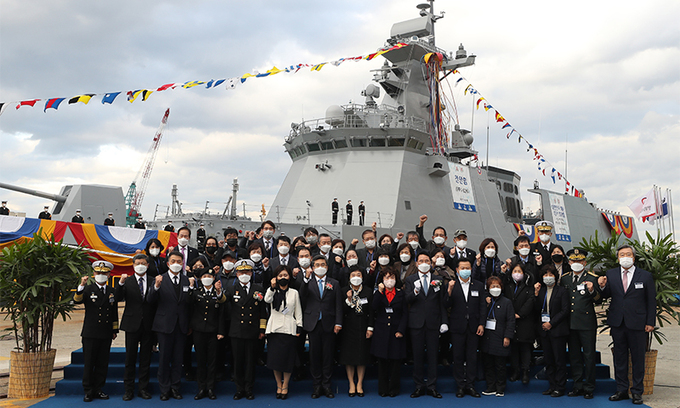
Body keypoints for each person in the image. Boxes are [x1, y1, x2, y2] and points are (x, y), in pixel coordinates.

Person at [598, 245, 656, 405]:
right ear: (618, 258)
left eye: (628, 254)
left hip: (638, 323)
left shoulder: (645, 276)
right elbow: (606, 295)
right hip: (618, 322)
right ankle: (621, 390)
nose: (625, 257)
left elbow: (651, 300)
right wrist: (602, 286)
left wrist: (650, 322)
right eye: (622, 254)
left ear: (634, 257)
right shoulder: (611, 274)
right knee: (620, 358)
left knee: (638, 358)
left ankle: (637, 392)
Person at [148, 251, 194, 401]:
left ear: (183, 264)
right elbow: (150, 300)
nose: (176, 264)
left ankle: (175, 387)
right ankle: (164, 389)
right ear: (168, 264)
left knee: (178, 359)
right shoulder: (160, 279)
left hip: (181, 326)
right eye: (173, 261)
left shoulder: (187, 280)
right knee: (164, 358)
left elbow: (190, 304)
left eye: (179, 261)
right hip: (164, 325)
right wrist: (156, 286)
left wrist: (191, 289)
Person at [220, 259, 268, 400]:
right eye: (241, 272)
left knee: (250, 362)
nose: (244, 274)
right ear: (237, 274)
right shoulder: (232, 289)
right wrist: (218, 292)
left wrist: (262, 330)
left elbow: (262, 311)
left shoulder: (258, 289)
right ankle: (239, 389)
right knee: (238, 361)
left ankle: (249, 389)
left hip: (252, 331)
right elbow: (223, 300)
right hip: (237, 331)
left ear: (251, 273)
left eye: (247, 272)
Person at [404, 251, 448, 399]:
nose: (424, 263)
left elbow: (441, 302)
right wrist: (415, 291)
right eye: (421, 261)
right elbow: (407, 300)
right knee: (417, 356)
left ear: (431, 263)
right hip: (416, 322)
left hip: (433, 322)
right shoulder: (410, 279)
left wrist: (444, 321)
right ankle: (418, 386)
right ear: (417, 263)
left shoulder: (438, 279)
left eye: (427, 261)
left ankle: (431, 386)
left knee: (433, 356)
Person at [299, 255, 343, 399]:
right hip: (313, 324)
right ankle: (317, 385)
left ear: (327, 267)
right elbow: (302, 296)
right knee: (314, 355)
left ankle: (327, 385)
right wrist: (306, 278)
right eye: (317, 265)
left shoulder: (334, 283)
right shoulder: (308, 282)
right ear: (312, 267)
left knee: (328, 356)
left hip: (329, 323)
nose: (320, 267)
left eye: (323, 264)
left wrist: (338, 322)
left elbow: (338, 304)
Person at [74, 261, 118, 402]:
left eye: (104, 273)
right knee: (89, 362)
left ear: (109, 275)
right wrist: (81, 285)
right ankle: (88, 390)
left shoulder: (112, 291)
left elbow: (114, 311)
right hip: (90, 332)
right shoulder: (88, 289)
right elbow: (77, 300)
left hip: (106, 332)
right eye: (98, 273)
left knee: (102, 363)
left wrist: (114, 329)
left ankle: (99, 389)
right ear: (94, 274)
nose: (101, 275)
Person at [115, 255, 157, 400]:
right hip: (132, 324)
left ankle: (143, 389)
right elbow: (118, 298)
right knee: (130, 359)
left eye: (143, 263)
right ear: (133, 265)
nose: (140, 265)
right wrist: (120, 283)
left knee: (146, 359)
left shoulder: (153, 280)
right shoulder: (127, 281)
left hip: (148, 325)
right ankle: (128, 390)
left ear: (148, 265)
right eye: (137, 263)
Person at [560, 248, 600, 399]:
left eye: (579, 260)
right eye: (573, 260)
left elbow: (599, 300)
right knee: (574, 356)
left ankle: (589, 387)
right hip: (570, 323)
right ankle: (577, 386)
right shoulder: (565, 278)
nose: (576, 263)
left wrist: (592, 290)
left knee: (589, 356)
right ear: (569, 262)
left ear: (584, 262)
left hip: (587, 323)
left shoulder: (592, 278)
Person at [445, 258, 485, 398]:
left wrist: (481, 324)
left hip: (474, 327)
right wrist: (449, 290)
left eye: (468, 268)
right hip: (457, 326)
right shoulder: (452, 285)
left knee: (472, 357)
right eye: (462, 268)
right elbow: (446, 304)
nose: (465, 270)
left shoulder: (478, 285)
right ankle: (460, 386)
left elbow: (482, 306)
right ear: (457, 270)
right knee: (458, 356)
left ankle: (470, 385)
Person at [265, 266, 303, 400]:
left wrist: (299, 326)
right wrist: (272, 287)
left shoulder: (294, 292)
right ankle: (278, 384)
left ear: (289, 277)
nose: (283, 278)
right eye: (280, 275)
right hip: (274, 329)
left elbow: (298, 310)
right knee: (275, 360)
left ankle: (285, 385)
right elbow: (267, 300)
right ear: (276, 277)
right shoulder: (272, 291)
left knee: (287, 360)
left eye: (285, 275)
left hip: (289, 329)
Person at [533, 264, 569, 397]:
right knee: (549, 360)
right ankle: (552, 385)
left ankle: (560, 387)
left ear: (555, 276)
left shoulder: (562, 291)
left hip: (557, 330)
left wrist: (551, 323)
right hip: (544, 331)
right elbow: (536, 309)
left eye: (550, 275)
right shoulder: (542, 291)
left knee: (559, 360)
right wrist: (536, 294)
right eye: (545, 275)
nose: (548, 277)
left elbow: (565, 310)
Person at [371, 267, 408, 397]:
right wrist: (379, 292)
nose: (389, 280)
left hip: (396, 332)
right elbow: (373, 307)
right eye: (386, 277)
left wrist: (401, 330)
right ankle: (383, 389)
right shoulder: (379, 293)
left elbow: (405, 314)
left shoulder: (401, 294)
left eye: (392, 277)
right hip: (381, 332)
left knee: (395, 362)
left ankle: (394, 389)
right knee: (382, 362)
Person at [190, 268, 225, 400]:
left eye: (209, 276)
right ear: (200, 278)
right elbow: (189, 305)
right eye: (204, 276)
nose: (207, 278)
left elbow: (221, 313)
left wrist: (221, 331)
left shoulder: (218, 294)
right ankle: (201, 388)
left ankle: (210, 388)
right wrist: (191, 287)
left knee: (212, 361)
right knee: (200, 360)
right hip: (199, 331)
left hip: (213, 332)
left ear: (214, 278)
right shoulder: (196, 292)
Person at [339, 267, 374, 397]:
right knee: (349, 356)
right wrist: (348, 300)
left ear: (362, 277)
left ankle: (359, 383)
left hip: (363, 326)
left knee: (361, 356)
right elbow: (340, 310)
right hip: (348, 327)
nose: (356, 277)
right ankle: (351, 383)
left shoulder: (368, 291)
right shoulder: (343, 291)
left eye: (358, 274)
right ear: (349, 278)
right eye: (353, 275)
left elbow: (371, 311)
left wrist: (370, 327)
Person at [480, 276, 515, 397]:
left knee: (500, 365)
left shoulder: (507, 302)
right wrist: (486, 304)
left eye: (497, 286)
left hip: (500, 337)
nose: (495, 288)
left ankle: (500, 388)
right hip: (487, 338)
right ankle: (490, 387)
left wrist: (507, 336)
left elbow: (511, 321)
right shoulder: (485, 301)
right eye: (492, 286)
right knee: (488, 364)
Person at [504, 261, 536, 384]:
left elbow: (531, 301)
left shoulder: (529, 286)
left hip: (525, 321)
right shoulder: (508, 285)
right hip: (511, 321)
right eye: (515, 271)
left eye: (519, 271)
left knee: (525, 348)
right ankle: (515, 371)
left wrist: (520, 314)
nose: (517, 274)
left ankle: (525, 372)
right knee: (514, 349)